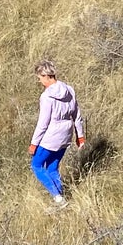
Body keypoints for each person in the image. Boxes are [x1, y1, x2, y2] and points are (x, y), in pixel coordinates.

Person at [30, 62, 83, 206]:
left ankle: (58, 197)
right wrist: (80, 136)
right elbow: (77, 114)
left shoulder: (46, 97)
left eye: (39, 78)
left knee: (36, 166)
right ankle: (61, 197)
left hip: (50, 137)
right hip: (66, 135)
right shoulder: (69, 90)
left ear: (46, 76)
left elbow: (43, 123)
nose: (39, 81)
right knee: (52, 167)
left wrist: (34, 143)